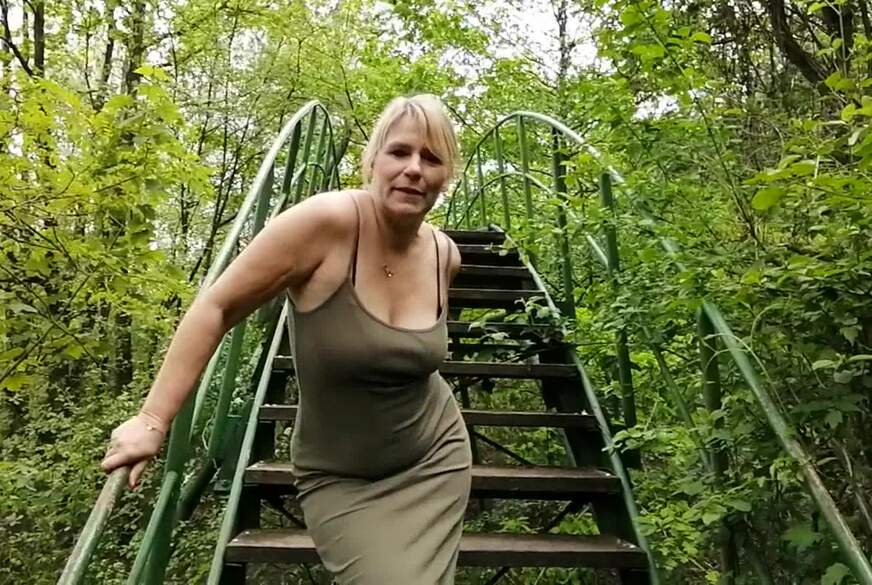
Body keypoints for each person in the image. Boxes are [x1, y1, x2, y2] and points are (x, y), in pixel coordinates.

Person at [101, 94, 473, 584]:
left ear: (447, 175)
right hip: (342, 478)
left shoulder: (446, 256)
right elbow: (217, 307)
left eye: (431, 158)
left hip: (434, 459)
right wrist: (152, 419)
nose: (413, 169)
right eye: (399, 152)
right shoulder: (325, 223)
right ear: (373, 161)